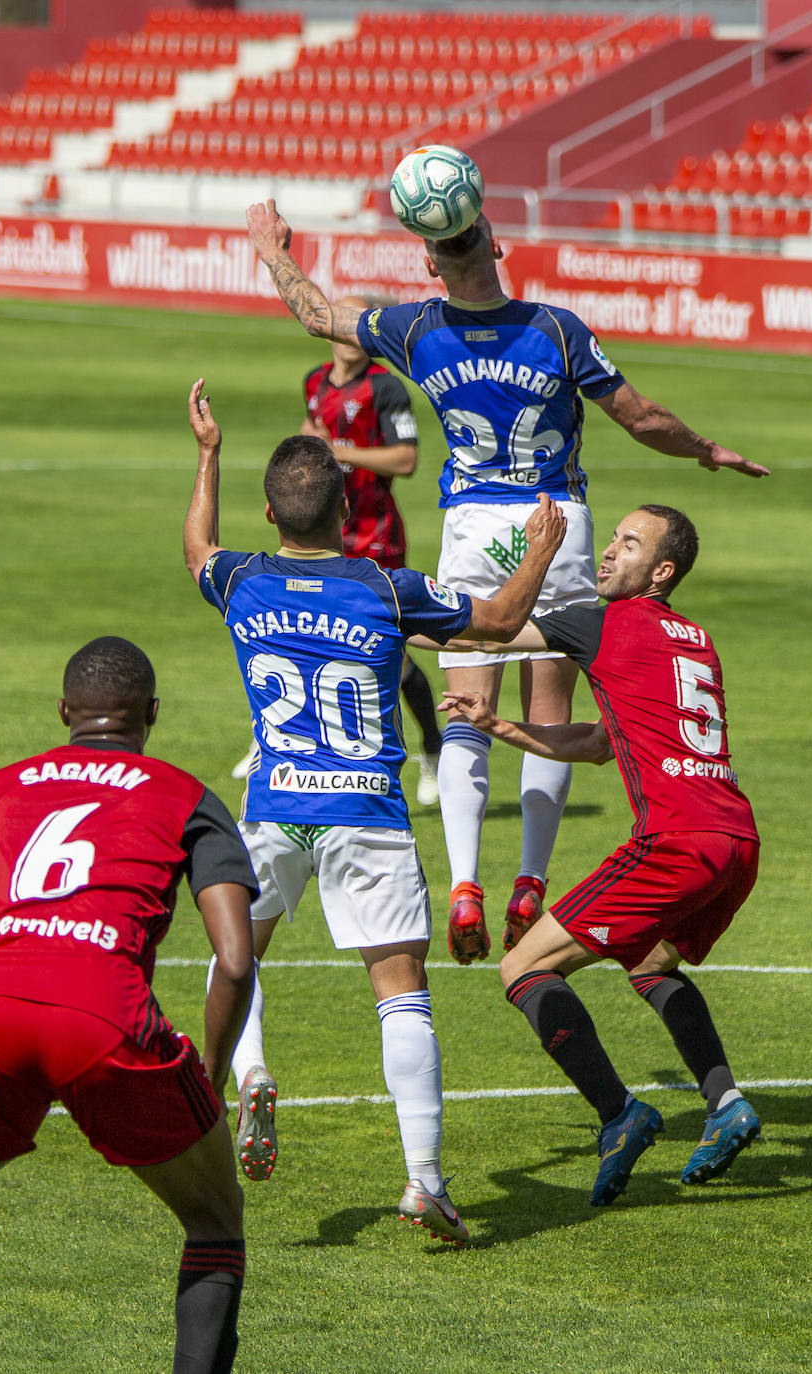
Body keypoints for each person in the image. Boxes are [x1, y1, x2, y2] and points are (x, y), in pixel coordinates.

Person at [245, 198, 770, 969]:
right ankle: (529, 879)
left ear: (429, 262)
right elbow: (640, 417)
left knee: (468, 710)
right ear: (495, 242)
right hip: (554, 520)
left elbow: (320, 315)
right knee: (548, 707)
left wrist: (273, 249)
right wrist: (705, 449)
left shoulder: (415, 326)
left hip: (471, 526)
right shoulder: (558, 328)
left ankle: (464, 885)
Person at [183, 378, 566, 1243]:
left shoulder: (240, 578)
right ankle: (424, 1181)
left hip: (274, 804)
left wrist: (207, 453)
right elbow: (500, 623)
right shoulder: (388, 591)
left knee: (237, 955)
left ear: (272, 513)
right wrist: (540, 547)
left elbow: (195, 545)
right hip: (367, 810)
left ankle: (247, 1074)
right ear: (349, 505)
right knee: (400, 994)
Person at [439, 505, 762, 1205]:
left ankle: (620, 1114)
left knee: (522, 967)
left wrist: (371, 611)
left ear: (663, 570)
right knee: (648, 960)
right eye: (612, 538)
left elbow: (488, 628)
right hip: (735, 840)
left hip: (675, 842)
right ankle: (725, 1100)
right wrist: (497, 725)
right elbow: (593, 745)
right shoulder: (693, 639)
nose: (610, 551)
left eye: (629, 543)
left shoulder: (599, 621)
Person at [0, 637, 257, 1373]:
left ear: (64, 713)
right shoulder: (184, 795)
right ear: (152, 715)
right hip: (102, 1018)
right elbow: (234, 960)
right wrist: (210, 1071)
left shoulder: (1, 784)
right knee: (212, 1220)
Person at [232, 294, 444, 806]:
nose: (336, 328)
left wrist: (339, 451)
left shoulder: (386, 387)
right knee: (302, 627)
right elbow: (314, 438)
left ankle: (431, 748)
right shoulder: (313, 381)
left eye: (346, 319)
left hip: (373, 532)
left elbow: (407, 458)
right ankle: (273, 737)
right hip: (319, 530)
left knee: (393, 647)